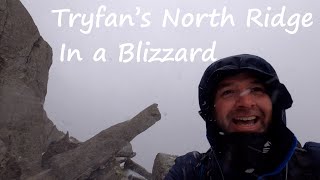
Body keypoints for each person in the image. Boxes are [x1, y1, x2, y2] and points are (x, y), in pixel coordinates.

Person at [165, 54, 320, 180]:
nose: (245, 103)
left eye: (256, 89)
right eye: (228, 92)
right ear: (211, 111)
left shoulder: (315, 162)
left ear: (275, 103)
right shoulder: (190, 171)